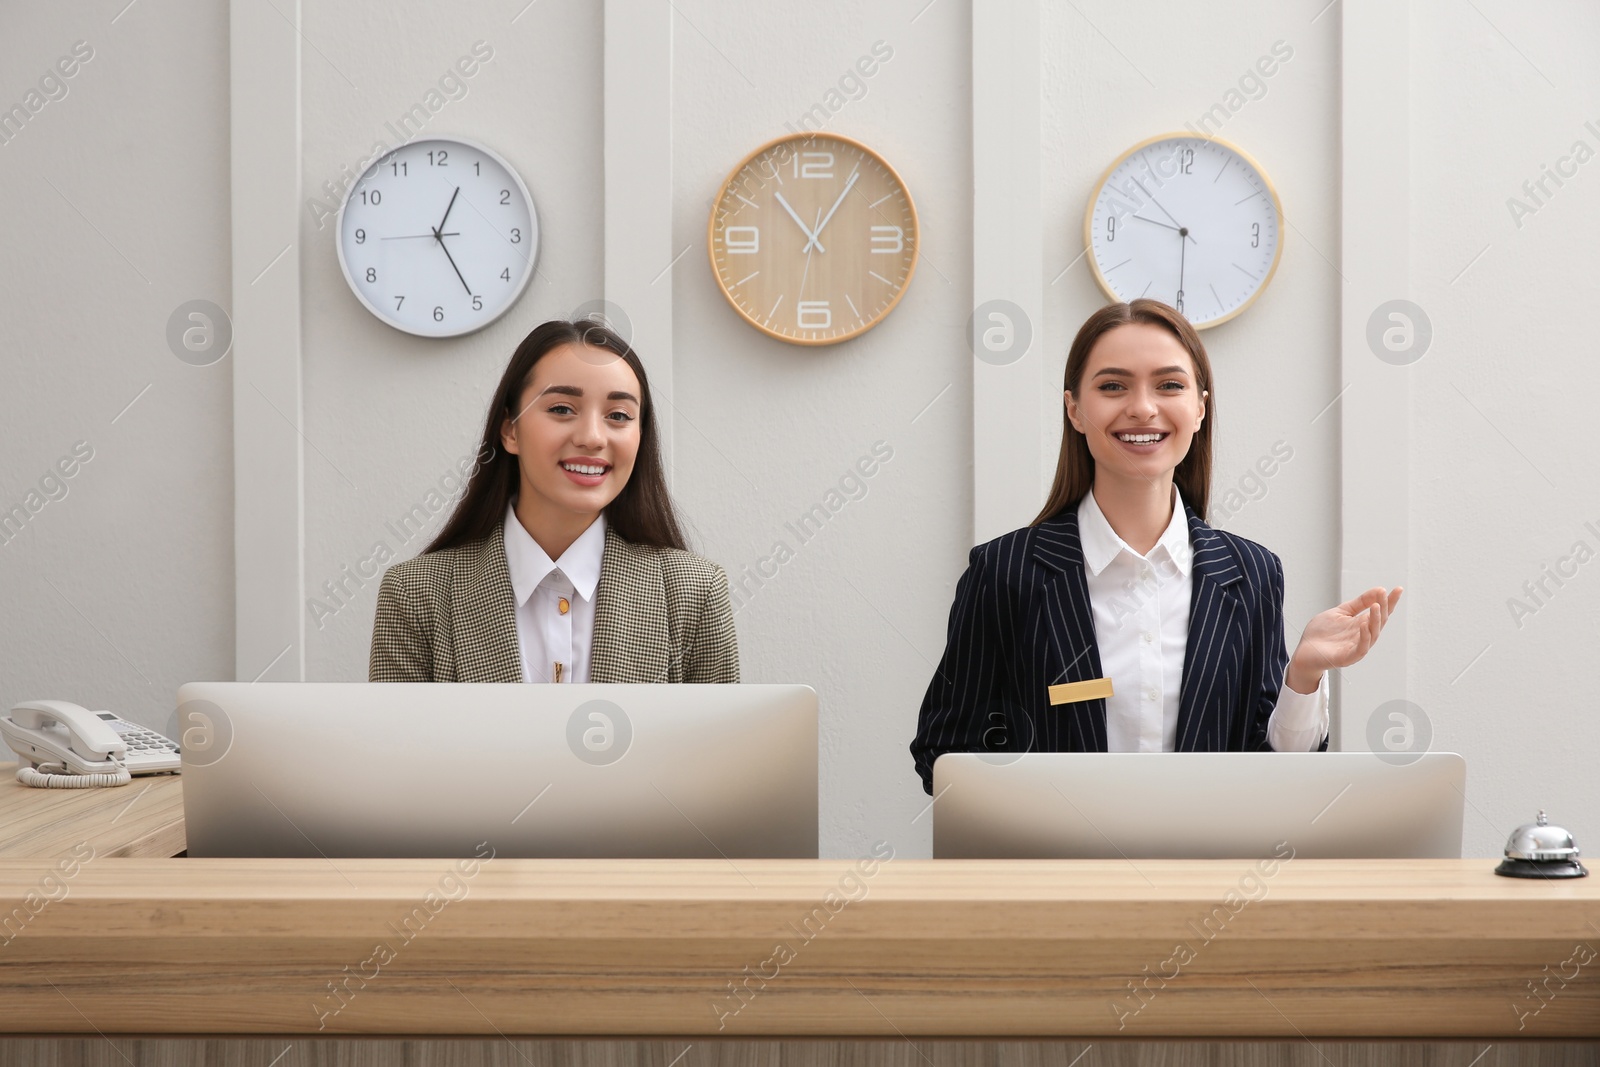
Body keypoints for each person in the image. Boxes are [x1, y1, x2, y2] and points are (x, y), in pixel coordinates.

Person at [910, 299, 1399, 793]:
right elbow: (943, 753)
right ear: (1075, 409)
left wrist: (1303, 676)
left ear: (1200, 408)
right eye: (1112, 386)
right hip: (1057, 867)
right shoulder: (1004, 572)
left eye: (1169, 385)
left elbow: (1274, 773)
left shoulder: (1252, 573)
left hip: (1204, 868)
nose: (1142, 407)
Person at [369, 319, 739, 684]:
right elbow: (398, 745)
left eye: (619, 416)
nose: (592, 438)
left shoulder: (694, 591)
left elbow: (722, 745)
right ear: (510, 430)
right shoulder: (415, 593)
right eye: (562, 409)